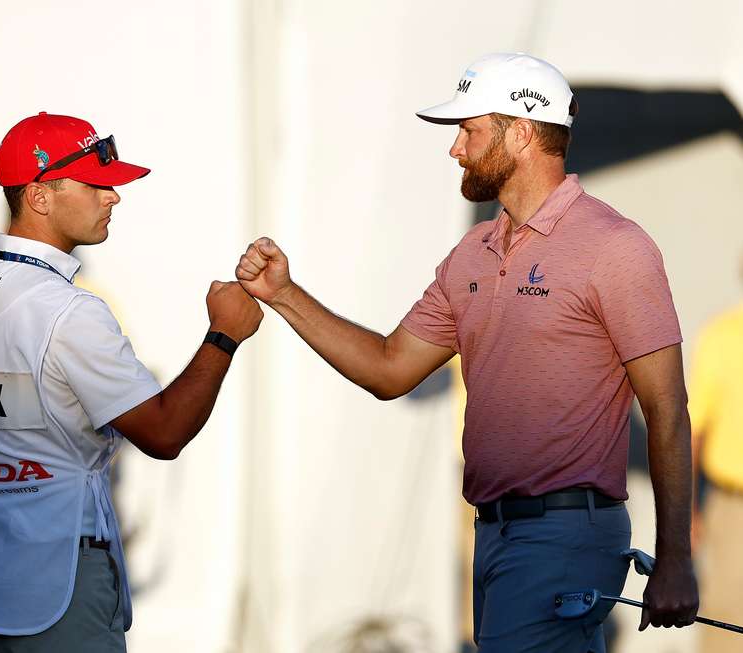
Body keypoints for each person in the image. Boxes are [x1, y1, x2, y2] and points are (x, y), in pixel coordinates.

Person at [235, 53, 698, 652]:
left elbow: (668, 409)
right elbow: (388, 368)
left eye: (469, 130)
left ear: (523, 132)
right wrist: (283, 295)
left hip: (564, 538)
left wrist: (676, 558)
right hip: (495, 536)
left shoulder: (616, 248)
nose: (456, 149)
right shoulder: (471, 252)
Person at [0, 111, 263, 652]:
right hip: (57, 580)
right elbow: (165, 434)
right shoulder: (71, 310)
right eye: (96, 183)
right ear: (39, 195)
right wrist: (224, 335)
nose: (113, 197)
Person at [688, 293, 743, 653]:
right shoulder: (722, 336)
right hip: (732, 510)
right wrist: (688, 512)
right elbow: (693, 433)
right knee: (727, 625)